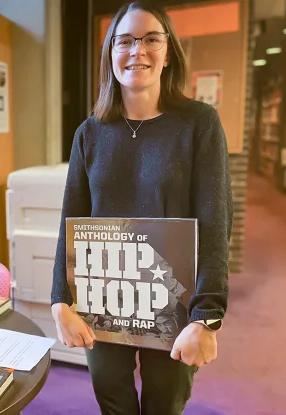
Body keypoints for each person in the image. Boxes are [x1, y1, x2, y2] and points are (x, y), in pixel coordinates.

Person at [50, 1, 233, 414]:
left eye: (151, 39)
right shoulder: (89, 132)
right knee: (111, 398)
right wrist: (61, 299)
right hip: (105, 297)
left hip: (174, 301)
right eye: (125, 41)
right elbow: (71, 220)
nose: (138, 51)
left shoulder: (199, 123)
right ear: (110, 53)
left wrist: (207, 317)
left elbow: (215, 224)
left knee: (163, 403)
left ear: (168, 51)